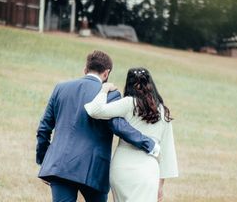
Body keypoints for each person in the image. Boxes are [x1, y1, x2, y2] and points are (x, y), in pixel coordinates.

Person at [36, 51, 159, 202]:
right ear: (106, 73)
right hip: (94, 169)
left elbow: (44, 129)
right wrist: (149, 144)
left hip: (60, 166)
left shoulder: (61, 88)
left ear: (85, 69)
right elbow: (119, 127)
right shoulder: (111, 95)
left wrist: (44, 161)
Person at [85, 67, 178, 202]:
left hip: (121, 168)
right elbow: (167, 152)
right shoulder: (163, 111)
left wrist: (104, 90)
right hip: (148, 169)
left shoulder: (128, 103)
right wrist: (160, 185)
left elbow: (94, 110)